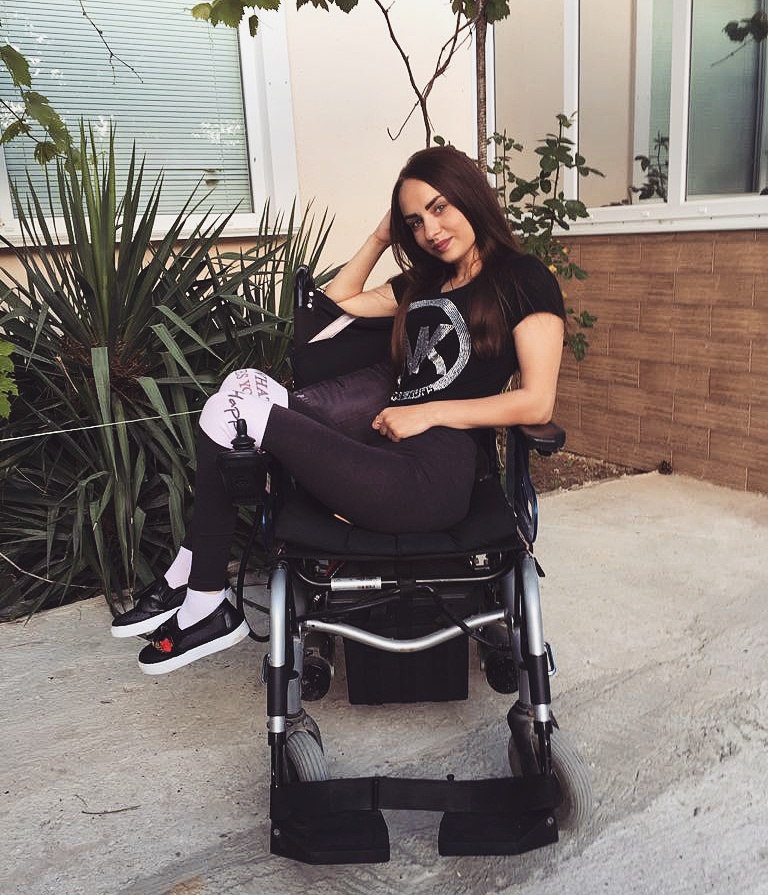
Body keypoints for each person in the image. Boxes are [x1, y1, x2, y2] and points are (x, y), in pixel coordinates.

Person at [110, 146, 566, 674]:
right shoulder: (423, 284)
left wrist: (430, 412)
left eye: (439, 208)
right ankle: (195, 586)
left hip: (430, 476)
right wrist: (379, 237)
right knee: (238, 389)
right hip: (377, 453)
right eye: (415, 222)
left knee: (236, 409)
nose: (430, 230)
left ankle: (200, 595)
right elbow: (333, 306)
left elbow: (538, 399)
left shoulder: (523, 278)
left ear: (470, 196)